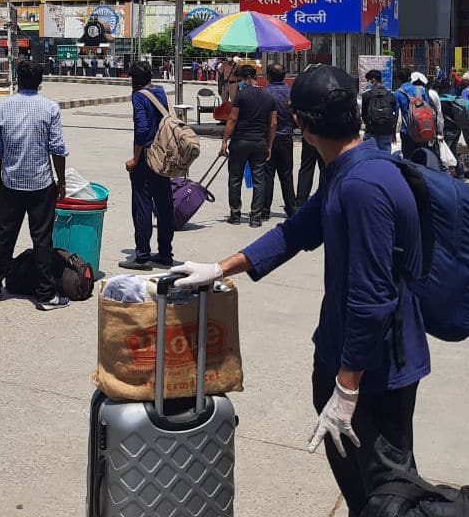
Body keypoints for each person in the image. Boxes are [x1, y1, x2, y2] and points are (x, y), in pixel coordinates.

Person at [170, 66, 428, 517]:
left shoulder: (364, 185)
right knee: (363, 492)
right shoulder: (348, 168)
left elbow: (372, 299)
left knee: (385, 495)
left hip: (373, 372)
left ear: (303, 127)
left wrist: (346, 390)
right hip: (348, 355)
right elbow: (295, 231)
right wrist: (221, 267)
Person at [0, 60, 70, 310]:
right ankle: (45, 295)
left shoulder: (2, 108)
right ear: (40, 81)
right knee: (42, 240)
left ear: (17, 79)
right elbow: (57, 149)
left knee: (3, 236)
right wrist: (61, 182)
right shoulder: (50, 108)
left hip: (11, 183)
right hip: (40, 184)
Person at [119, 61, 175, 270]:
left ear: (133, 80)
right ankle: (165, 253)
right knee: (164, 204)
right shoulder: (160, 92)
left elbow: (142, 130)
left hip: (146, 158)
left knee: (142, 204)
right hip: (163, 156)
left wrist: (134, 158)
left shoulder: (138, 96)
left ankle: (142, 255)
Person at [220, 64, 277, 227]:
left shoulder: (240, 95)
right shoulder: (269, 97)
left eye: (239, 80)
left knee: (235, 178)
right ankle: (255, 218)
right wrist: (270, 145)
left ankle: (235, 215)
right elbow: (273, 123)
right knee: (259, 179)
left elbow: (232, 119)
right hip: (260, 142)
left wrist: (225, 140)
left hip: (240, 141)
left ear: (245, 79)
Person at [260, 63, 299, 219]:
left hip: (269, 137)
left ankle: (264, 210)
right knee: (286, 174)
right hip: (286, 136)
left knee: (267, 175)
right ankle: (291, 208)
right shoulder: (291, 93)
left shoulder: (265, 93)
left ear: (269, 76)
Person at [395, 72, 444, 165]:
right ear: (410, 78)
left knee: (408, 157)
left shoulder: (398, 93)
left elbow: (396, 114)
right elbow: (429, 108)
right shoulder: (421, 90)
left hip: (407, 130)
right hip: (423, 128)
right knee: (422, 156)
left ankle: (410, 176)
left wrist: (394, 132)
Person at [359, 69, 397, 152]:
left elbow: (364, 116)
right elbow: (395, 115)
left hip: (371, 132)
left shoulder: (366, 95)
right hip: (386, 132)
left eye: (368, 80)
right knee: (386, 157)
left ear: (373, 80)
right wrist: (393, 133)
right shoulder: (391, 95)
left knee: (370, 158)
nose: (368, 82)